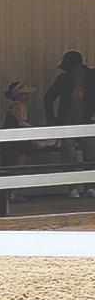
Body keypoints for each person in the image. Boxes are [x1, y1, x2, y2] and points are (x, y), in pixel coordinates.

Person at [45, 50, 95, 198]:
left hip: (87, 121)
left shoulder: (92, 77)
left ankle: (90, 186)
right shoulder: (63, 79)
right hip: (67, 123)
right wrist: (52, 121)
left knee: (91, 154)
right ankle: (72, 187)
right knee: (69, 155)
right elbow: (48, 98)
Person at [3, 81, 42, 175]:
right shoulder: (20, 106)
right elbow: (21, 122)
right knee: (19, 165)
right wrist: (35, 130)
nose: (28, 96)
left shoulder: (12, 106)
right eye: (25, 94)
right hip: (18, 139)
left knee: (9, 165)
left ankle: (9, 187)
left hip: (8, 137)